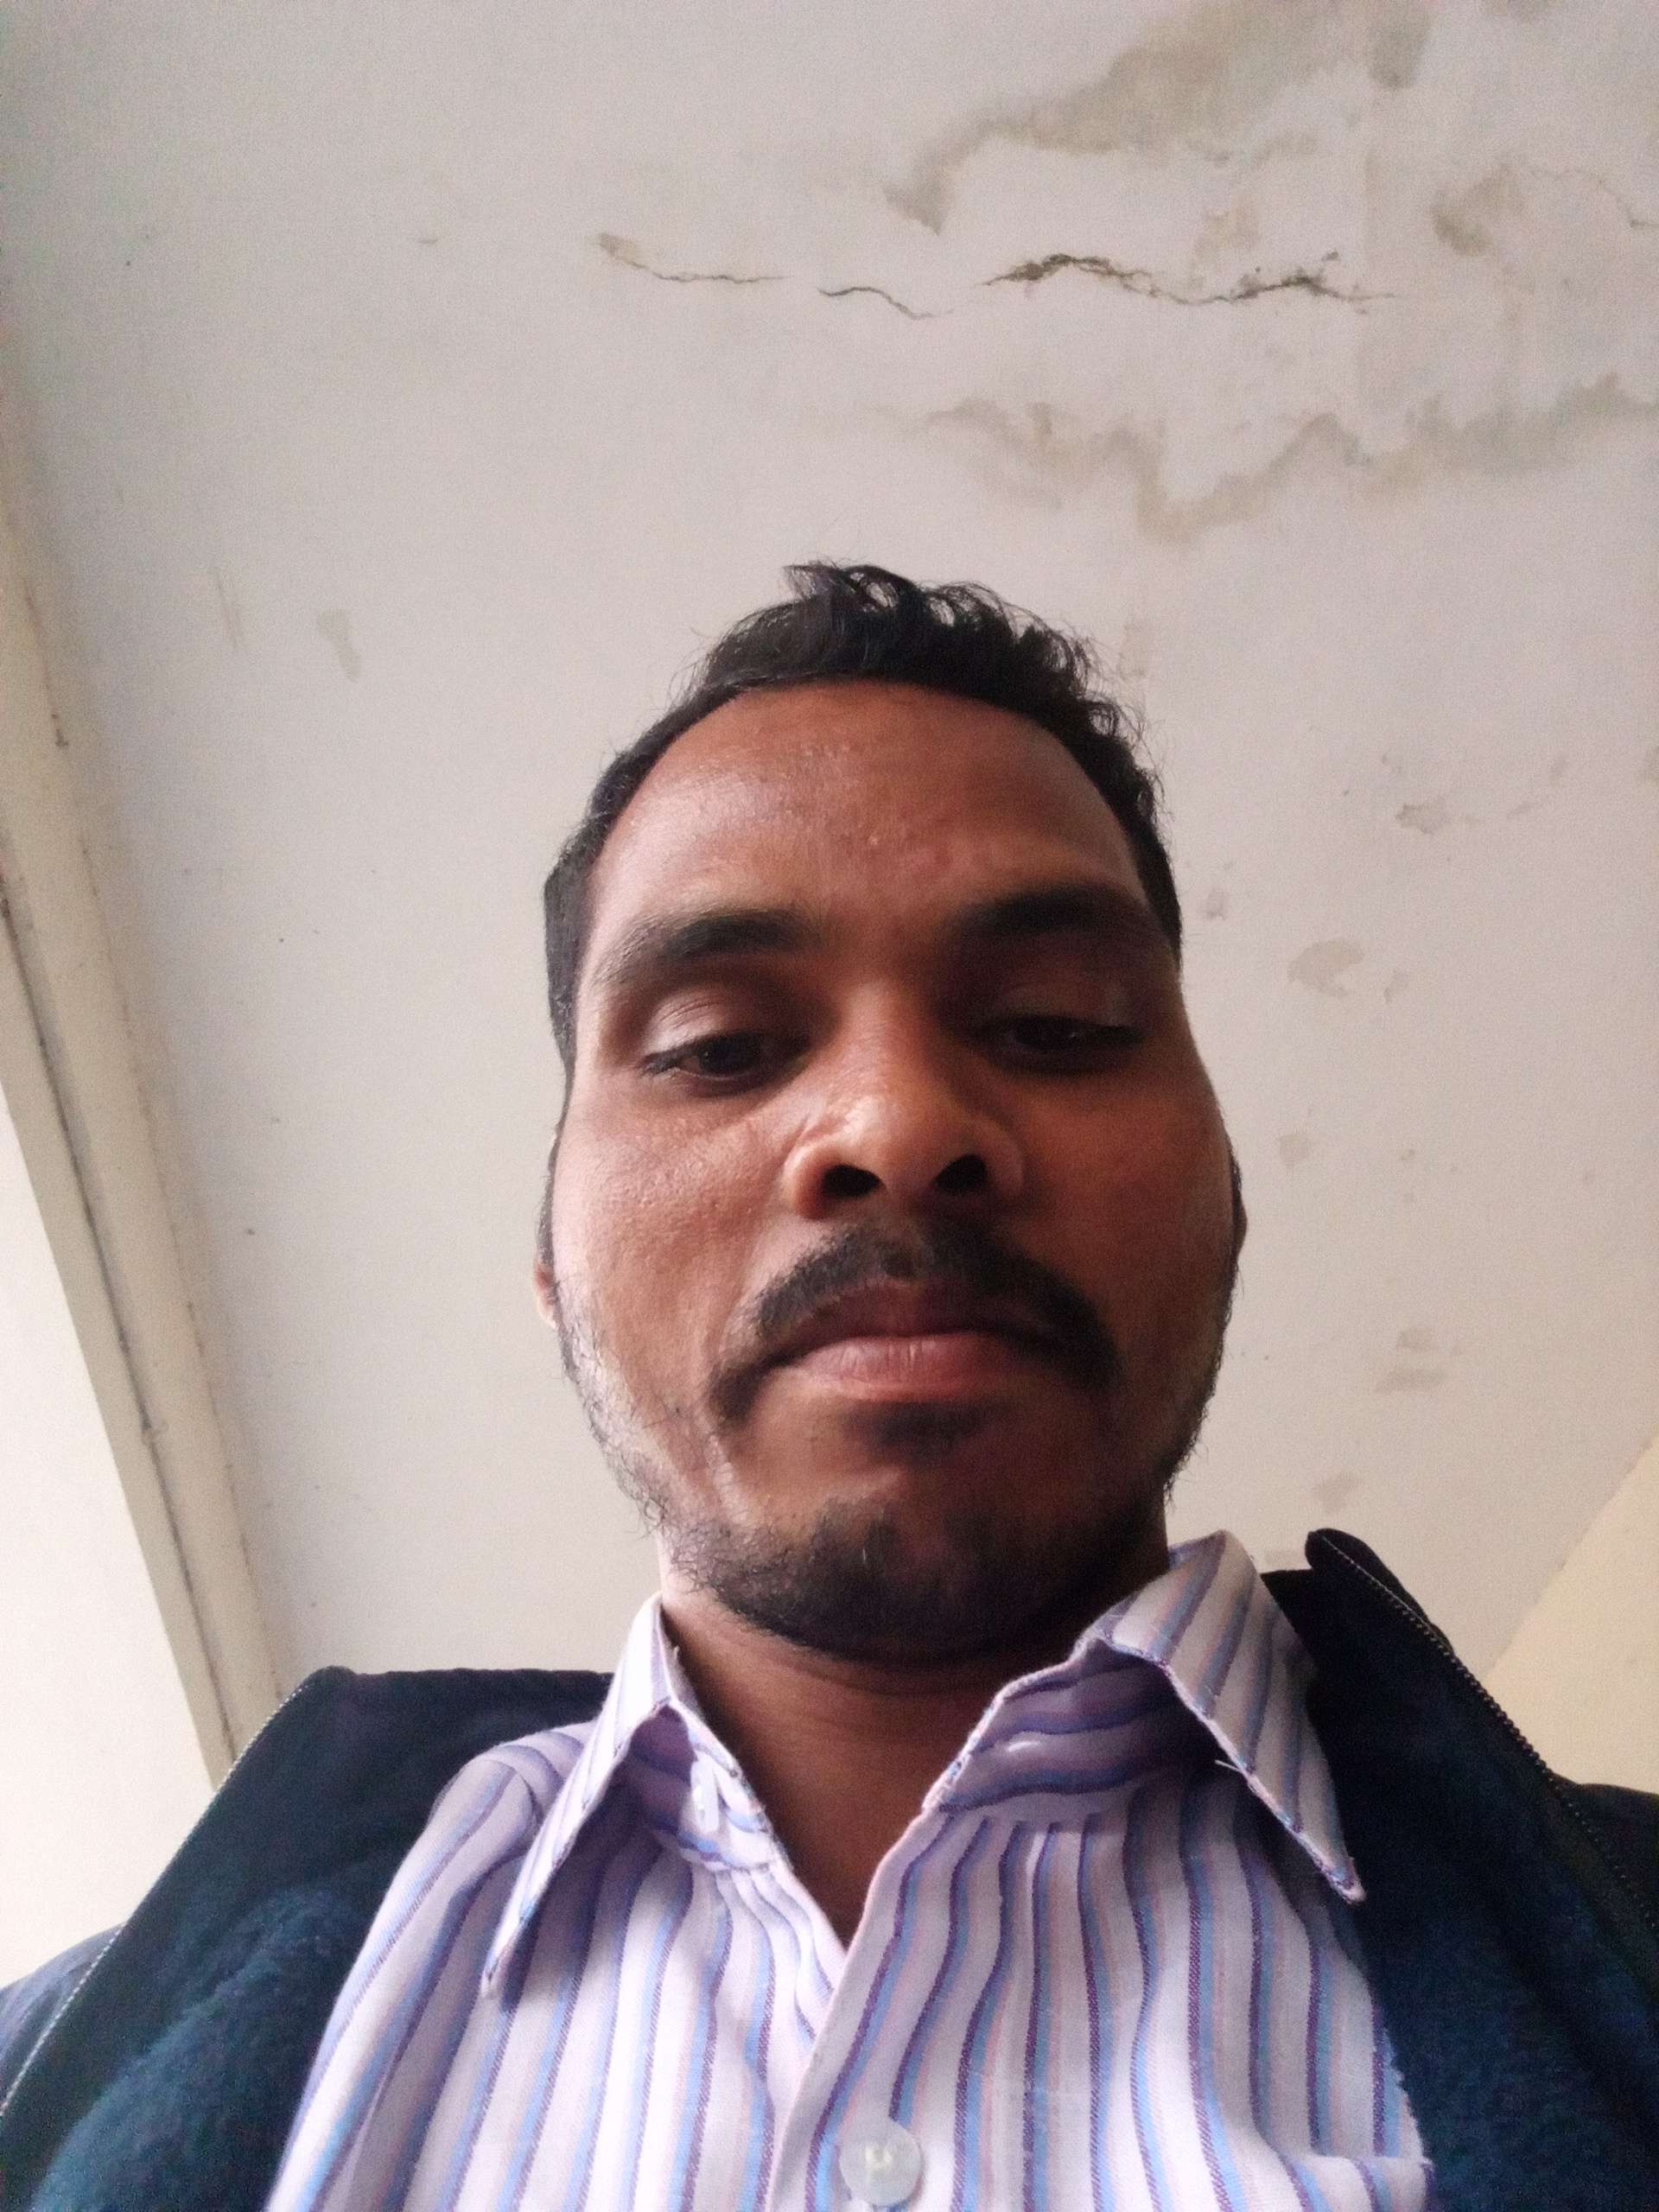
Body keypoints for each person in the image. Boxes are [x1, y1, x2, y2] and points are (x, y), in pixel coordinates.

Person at [2, 566, 1655, 2212]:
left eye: (1058, 1023)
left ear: (1228, 1198)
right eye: (720, 1045)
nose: (895, 1124)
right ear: (552, 1258)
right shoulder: (50, 2069)